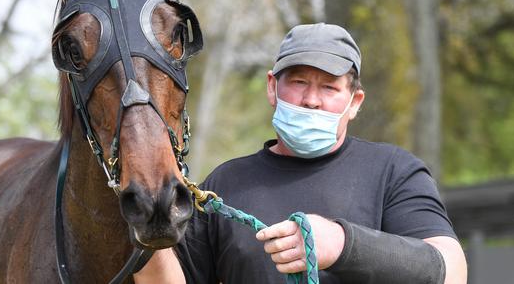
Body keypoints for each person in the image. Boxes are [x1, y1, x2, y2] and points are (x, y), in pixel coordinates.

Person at [134, 23, 468, 283]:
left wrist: (341, 245)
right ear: (272, 88)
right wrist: (140, 227)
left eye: (329, 87)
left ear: (354, 103)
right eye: (298, 82)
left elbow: (451, 273)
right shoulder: (226, 182)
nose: (311, 99)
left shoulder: (395, 171)